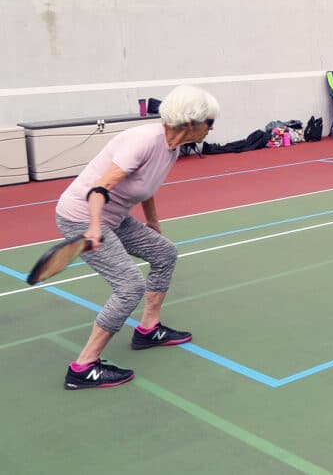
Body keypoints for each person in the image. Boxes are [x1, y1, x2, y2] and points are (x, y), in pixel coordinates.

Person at [56, 85, 220, 390]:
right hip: (83, 215)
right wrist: (93, 228)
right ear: (190, 123)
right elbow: (98, 189)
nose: (211, 128)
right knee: (129, 286)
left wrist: (153, 221)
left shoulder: (174, 147)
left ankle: (147, 330)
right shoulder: (143, 141)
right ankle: (83, 367)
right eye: (209, 122)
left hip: (115, 216)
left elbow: (146, 186)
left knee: (164, 253)